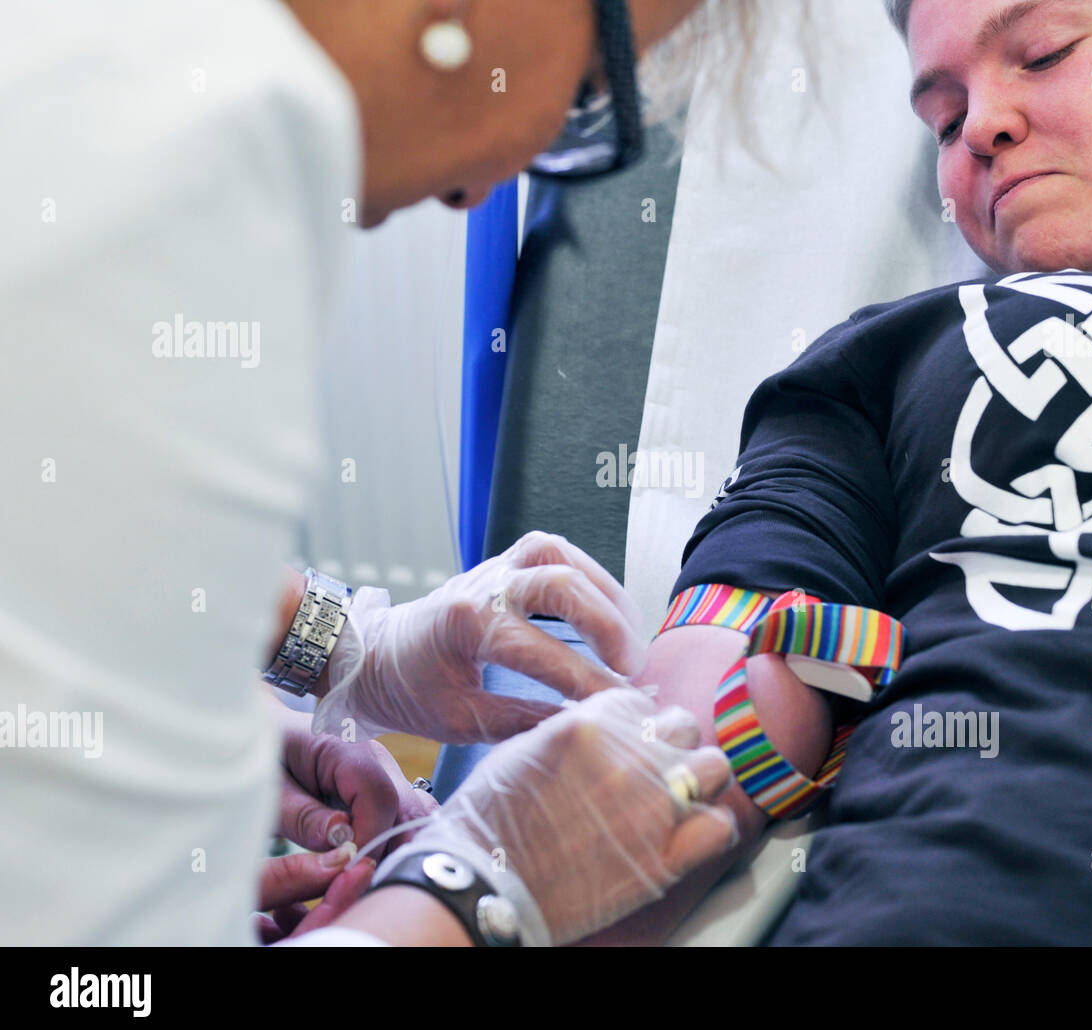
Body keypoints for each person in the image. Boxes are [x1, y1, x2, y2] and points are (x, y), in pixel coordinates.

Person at [0, 0, 743, 946]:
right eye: (590, 96)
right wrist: (469, 896)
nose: (487, 190)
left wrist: (343, 646)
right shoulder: (178, 153)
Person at [581, 0, 1092, 944]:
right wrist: (471, 888)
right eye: (946, 121)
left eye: (1043, 55)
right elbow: (722, 683)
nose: (985, 130)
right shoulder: (880, 364)